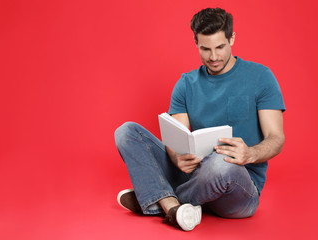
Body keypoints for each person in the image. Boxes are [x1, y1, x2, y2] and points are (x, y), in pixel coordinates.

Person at [114, 7, 285, 231]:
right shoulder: (185, 84)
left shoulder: (261, 77)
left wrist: (250, 153)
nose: (213, 57)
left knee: (220, 161)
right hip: (195, 176)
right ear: (196, 43)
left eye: (220, 47)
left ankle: (157, 198)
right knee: (126, 132)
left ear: (232, 38)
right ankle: (172, 206)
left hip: (239, 187)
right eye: (205, 49)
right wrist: (177, 159)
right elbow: (177, 139)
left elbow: (276, 138)